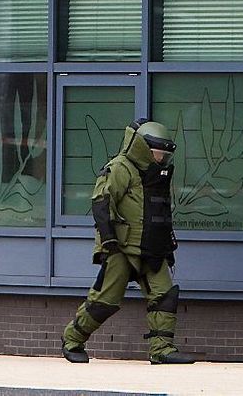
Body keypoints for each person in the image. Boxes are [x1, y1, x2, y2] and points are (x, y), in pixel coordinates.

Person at [61, 118, 195, 365]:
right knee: (104, 301)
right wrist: (108, 239)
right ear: (143, 148)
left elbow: (160, 213)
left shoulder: (156, 176)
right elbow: (102, 201)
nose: (161, 159)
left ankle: (162, 349)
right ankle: (72, 340)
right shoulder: (120, 168)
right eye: (157, 153)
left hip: (152, 249)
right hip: (121, 249)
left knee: (165, 296)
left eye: (165, 155)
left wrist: (167, 247)